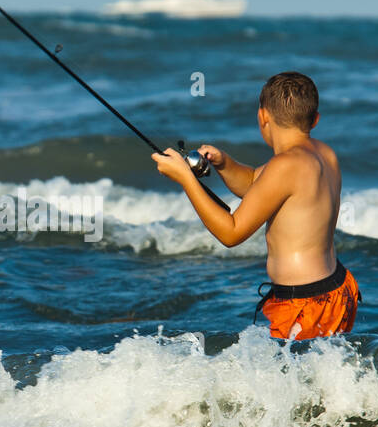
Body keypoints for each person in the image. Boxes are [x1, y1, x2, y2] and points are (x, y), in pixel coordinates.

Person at [151, 71, 360, 340]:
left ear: (262, 117)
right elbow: (255, 186)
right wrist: (224, 163)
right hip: (336, 289)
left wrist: (185, 179)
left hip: (304, 305)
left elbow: (231, 233)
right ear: (315, 119)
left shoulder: (284, 167)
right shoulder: (323, 153)